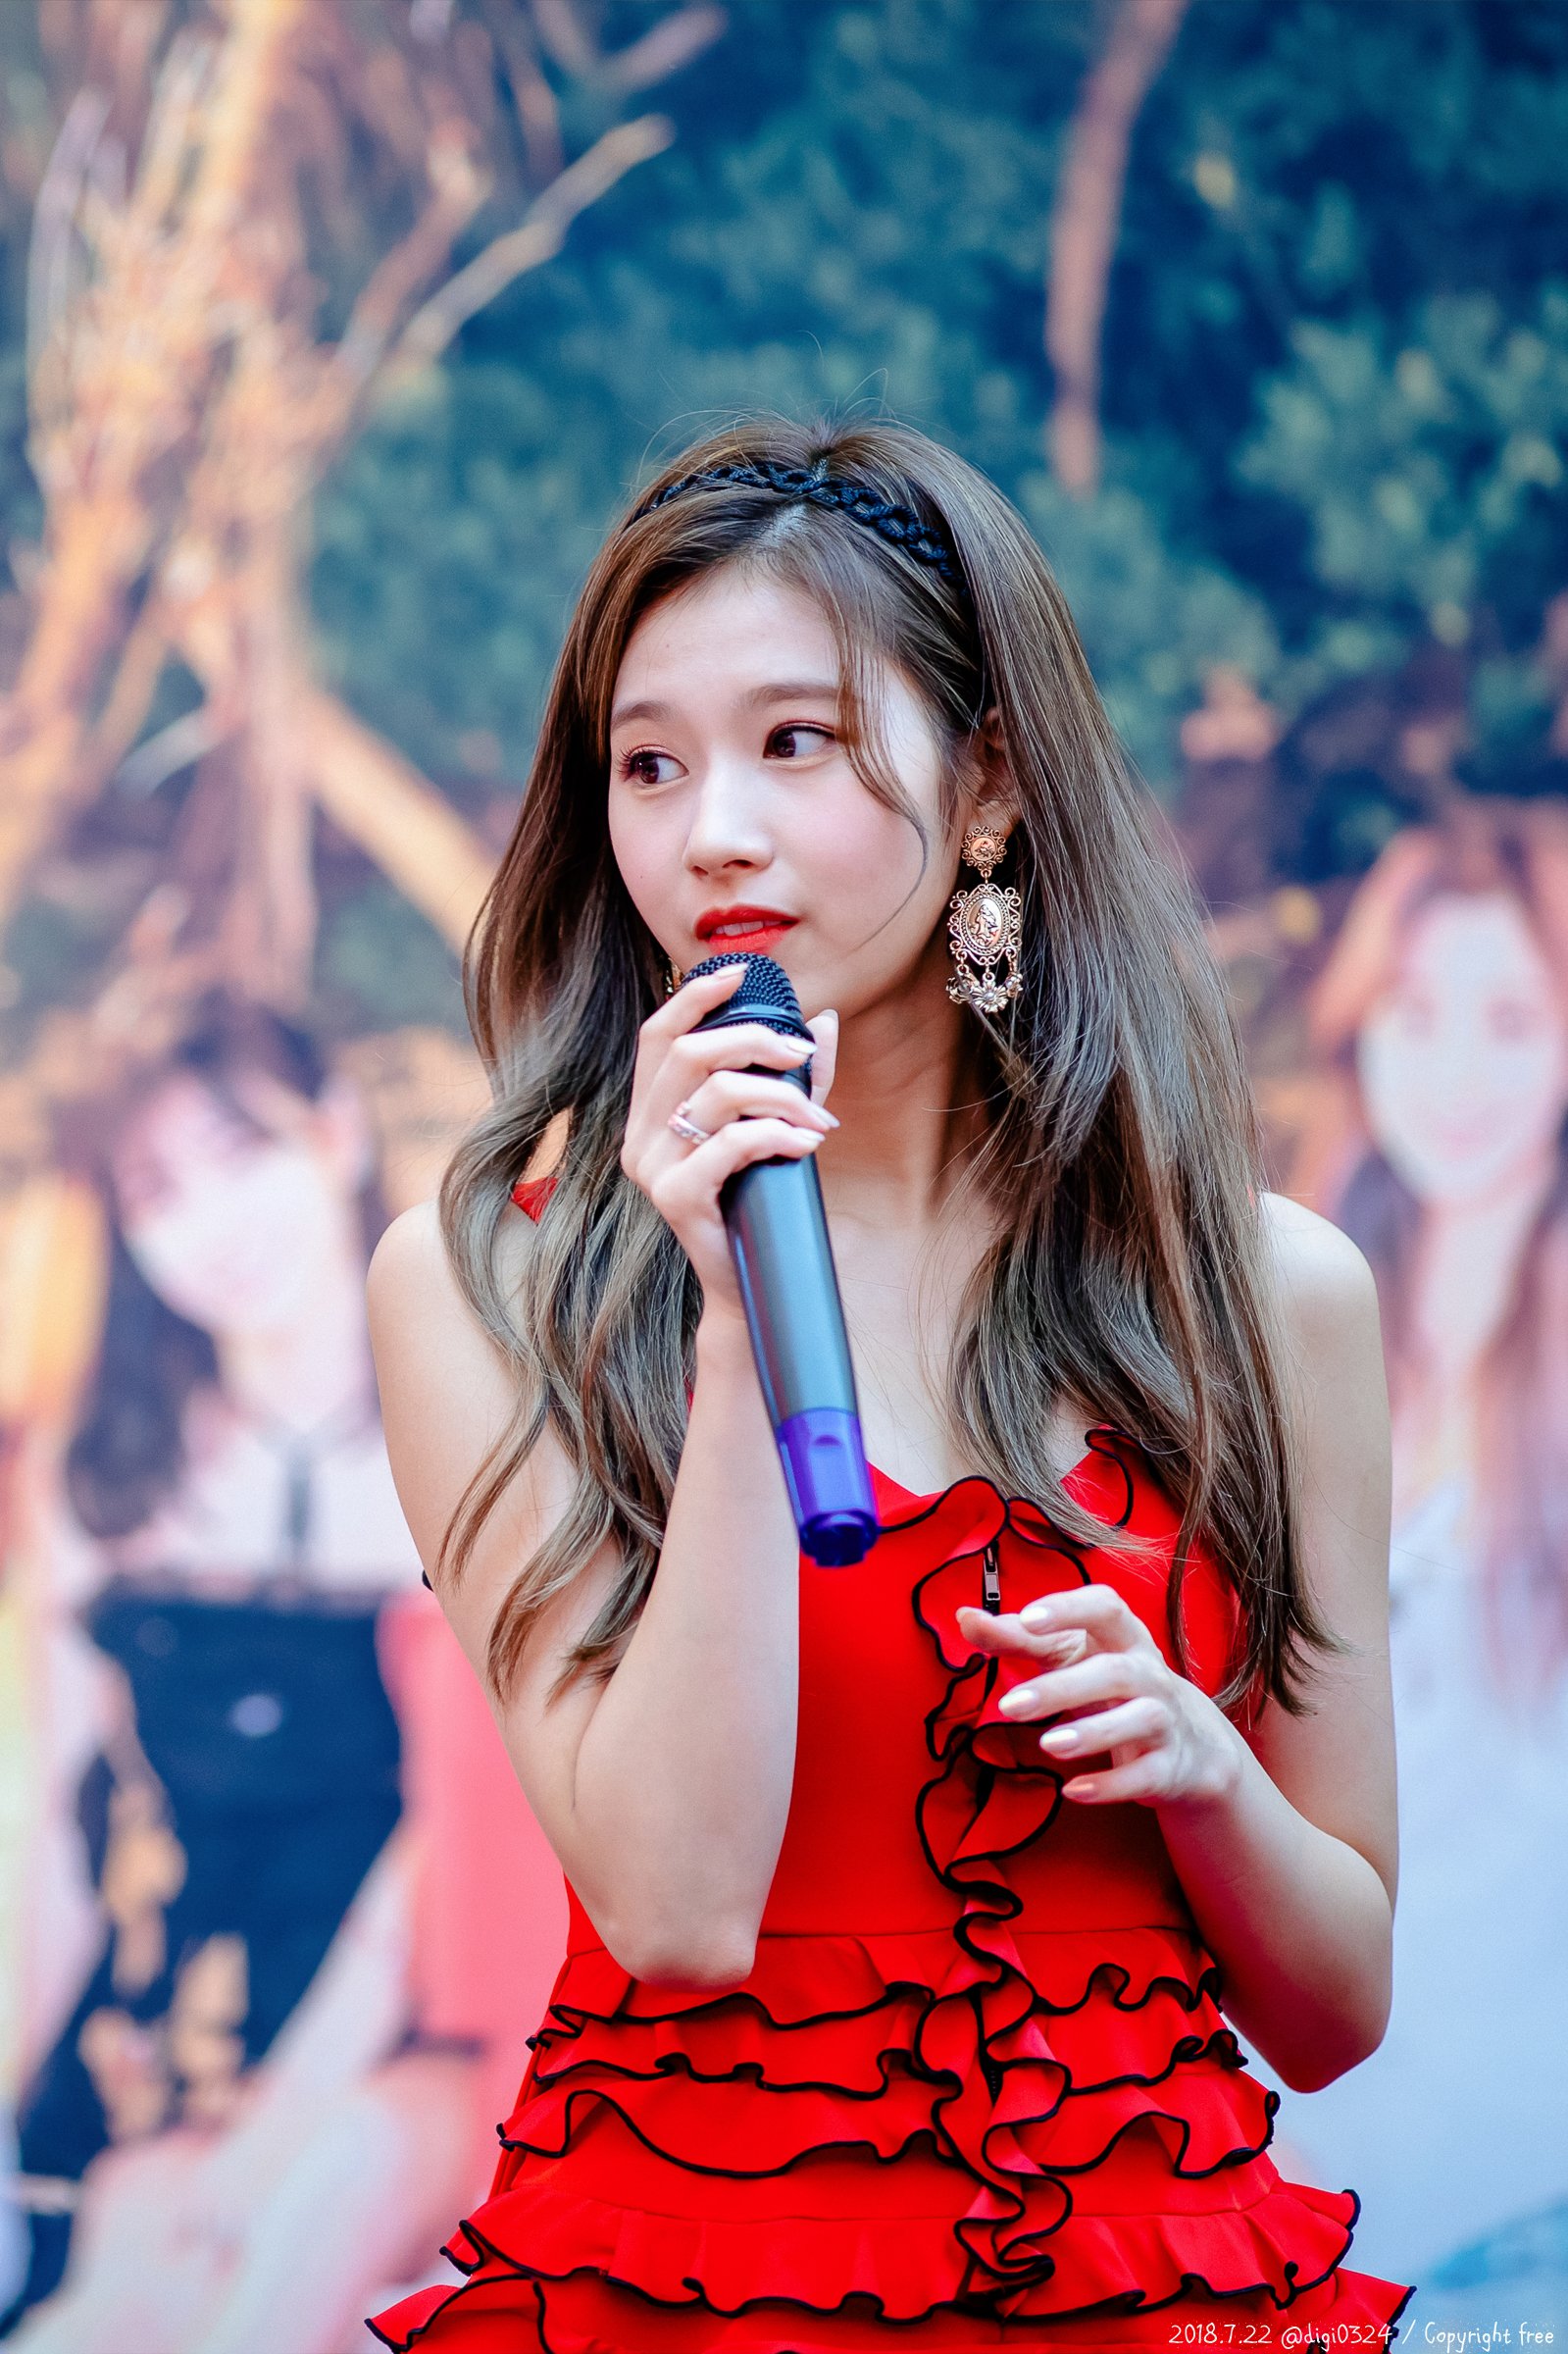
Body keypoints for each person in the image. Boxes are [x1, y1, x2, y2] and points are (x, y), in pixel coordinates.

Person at [364, 419, 1416, 2349]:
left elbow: (1337, 2009)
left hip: (1150, 2289)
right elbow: (677, 1911)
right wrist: (724, 1321)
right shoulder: (487, 1282)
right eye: (649, 763)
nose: (713, 833)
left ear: (987, 777)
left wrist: (1201, 1776)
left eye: (796, 742)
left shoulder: (1263, 1298)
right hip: (695, 2288)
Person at [5, 994, 487, 2352]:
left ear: (335, 1134)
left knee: (268, 2248)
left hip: (401, 2035)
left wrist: (283, 2117)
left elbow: (452, 1838)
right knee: (109, 2275)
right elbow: (47, 1826)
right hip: (161, 2017)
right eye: (158, 1193)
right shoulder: (107, 1475)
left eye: (240, 1155)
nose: (210, 1224)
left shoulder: (475, 1437)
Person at [1269, 799, 1568, 2300]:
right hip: (1297, 2172)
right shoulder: (1284, 1309)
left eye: (1511, 1020)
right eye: (1419, 1011)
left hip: (1525, 2188)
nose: (1457, 1072)